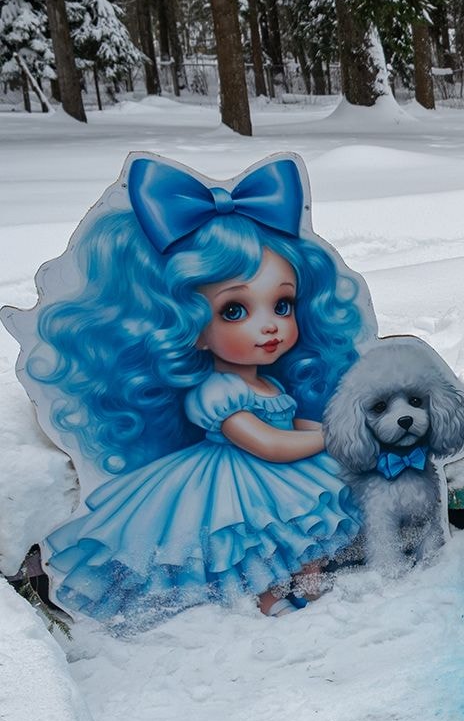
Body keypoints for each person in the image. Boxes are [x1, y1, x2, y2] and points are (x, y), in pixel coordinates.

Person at [15, 156, 368, 622]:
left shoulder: (272, 383)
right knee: (248, 541)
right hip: (234, 485)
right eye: (235, 311)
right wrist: (330, 436)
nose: (270, 328)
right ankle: (268, 595)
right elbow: (268, 444)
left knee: (309, 518)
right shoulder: (217, 392)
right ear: (191, 328)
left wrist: (322, 423)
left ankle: (308, 576)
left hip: (280, 478)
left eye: (282, 304)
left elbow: (292, 425)